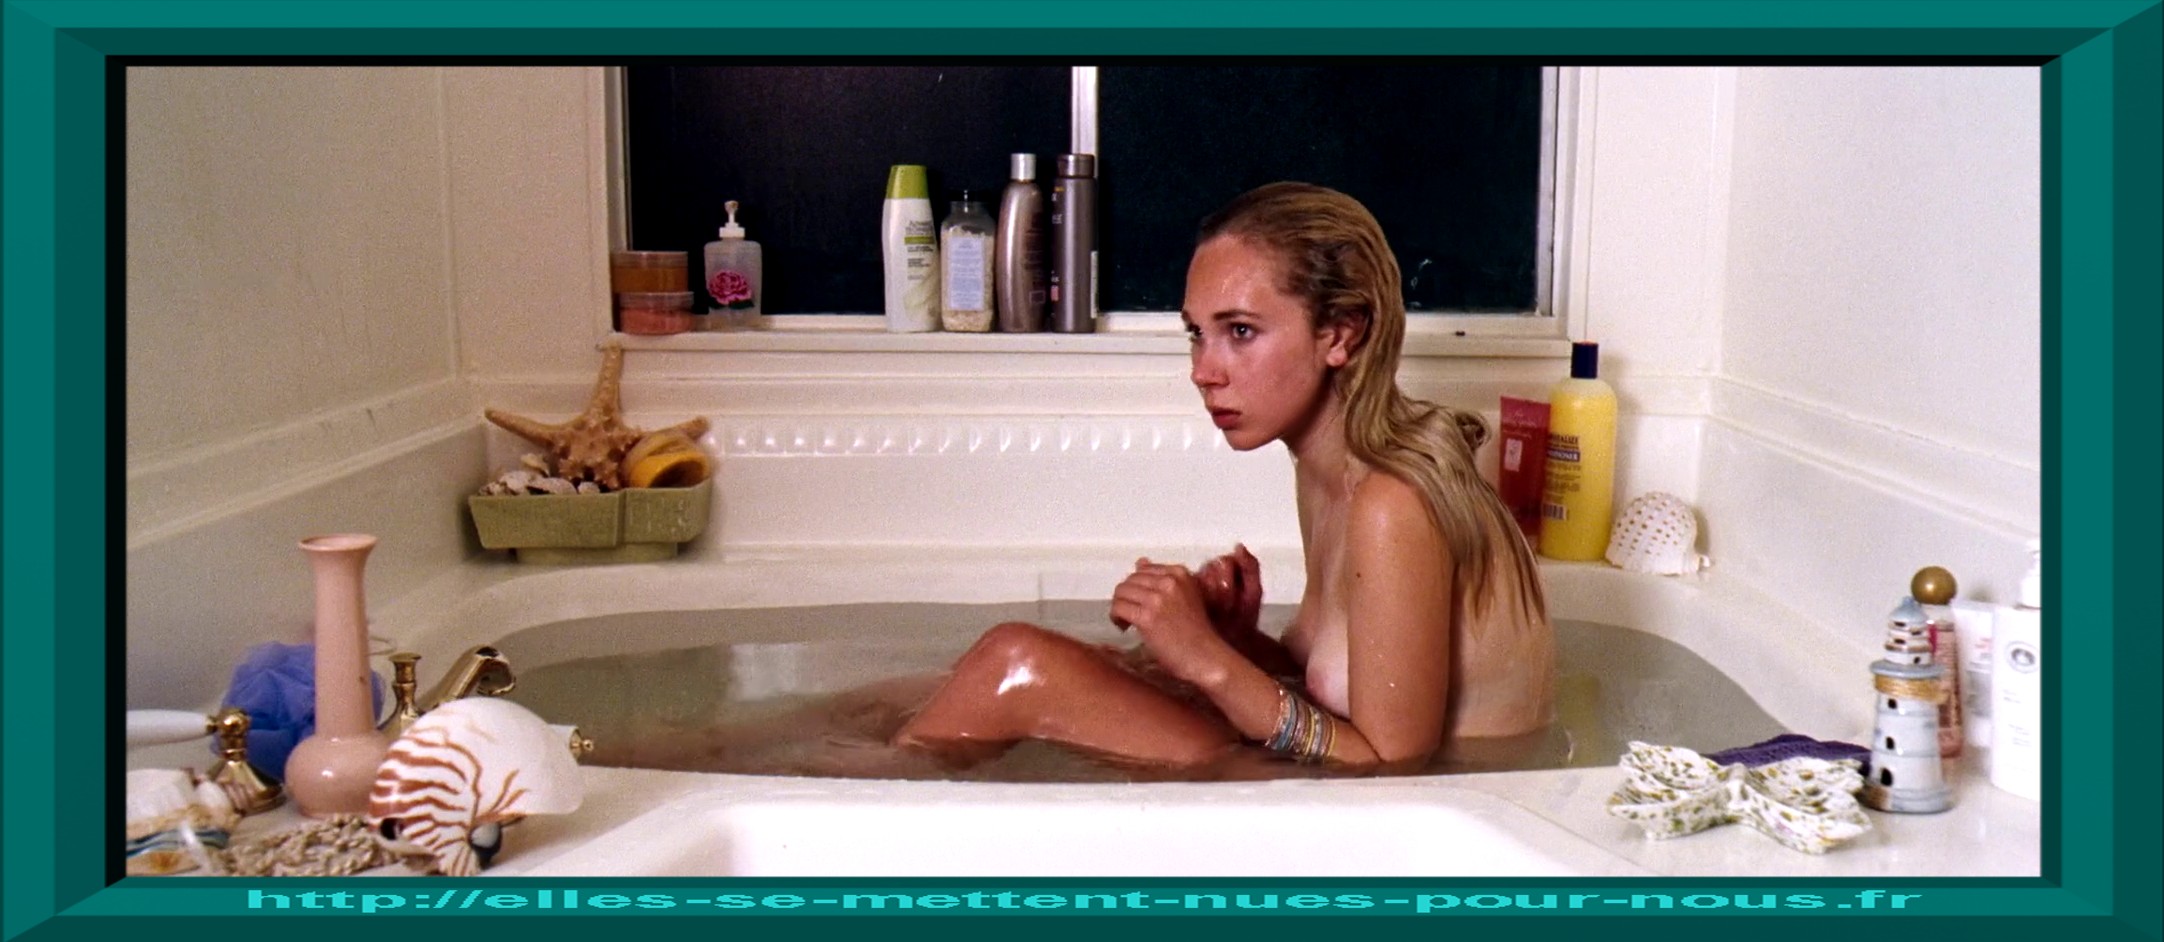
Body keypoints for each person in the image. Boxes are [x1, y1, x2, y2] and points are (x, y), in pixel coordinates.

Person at [892, 182, 1555, 775]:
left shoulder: (1392, 503)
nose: (1203, 371)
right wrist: (1237, 644)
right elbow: (1333, 688)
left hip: (1414, 822)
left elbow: (1391, 766)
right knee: (936, 686)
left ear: (1340, 335)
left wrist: (1205, 660)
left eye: (1240, 331)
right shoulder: (1330, 472)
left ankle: (854, 822)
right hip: (1355, 791)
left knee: (1018, 664)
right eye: (1196, 334)